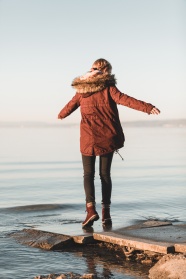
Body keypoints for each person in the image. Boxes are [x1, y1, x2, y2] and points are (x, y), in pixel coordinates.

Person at [58, 58, 160, 229]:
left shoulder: (81, 90)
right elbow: (126, 100)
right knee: (105, 175)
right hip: (107, 137)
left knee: (87, 175)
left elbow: (68, 108)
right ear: (105, 71)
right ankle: (106, 214)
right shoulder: (108, 88)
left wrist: (61, 115)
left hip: (88, 138)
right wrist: (148, 107)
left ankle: (90, 210)